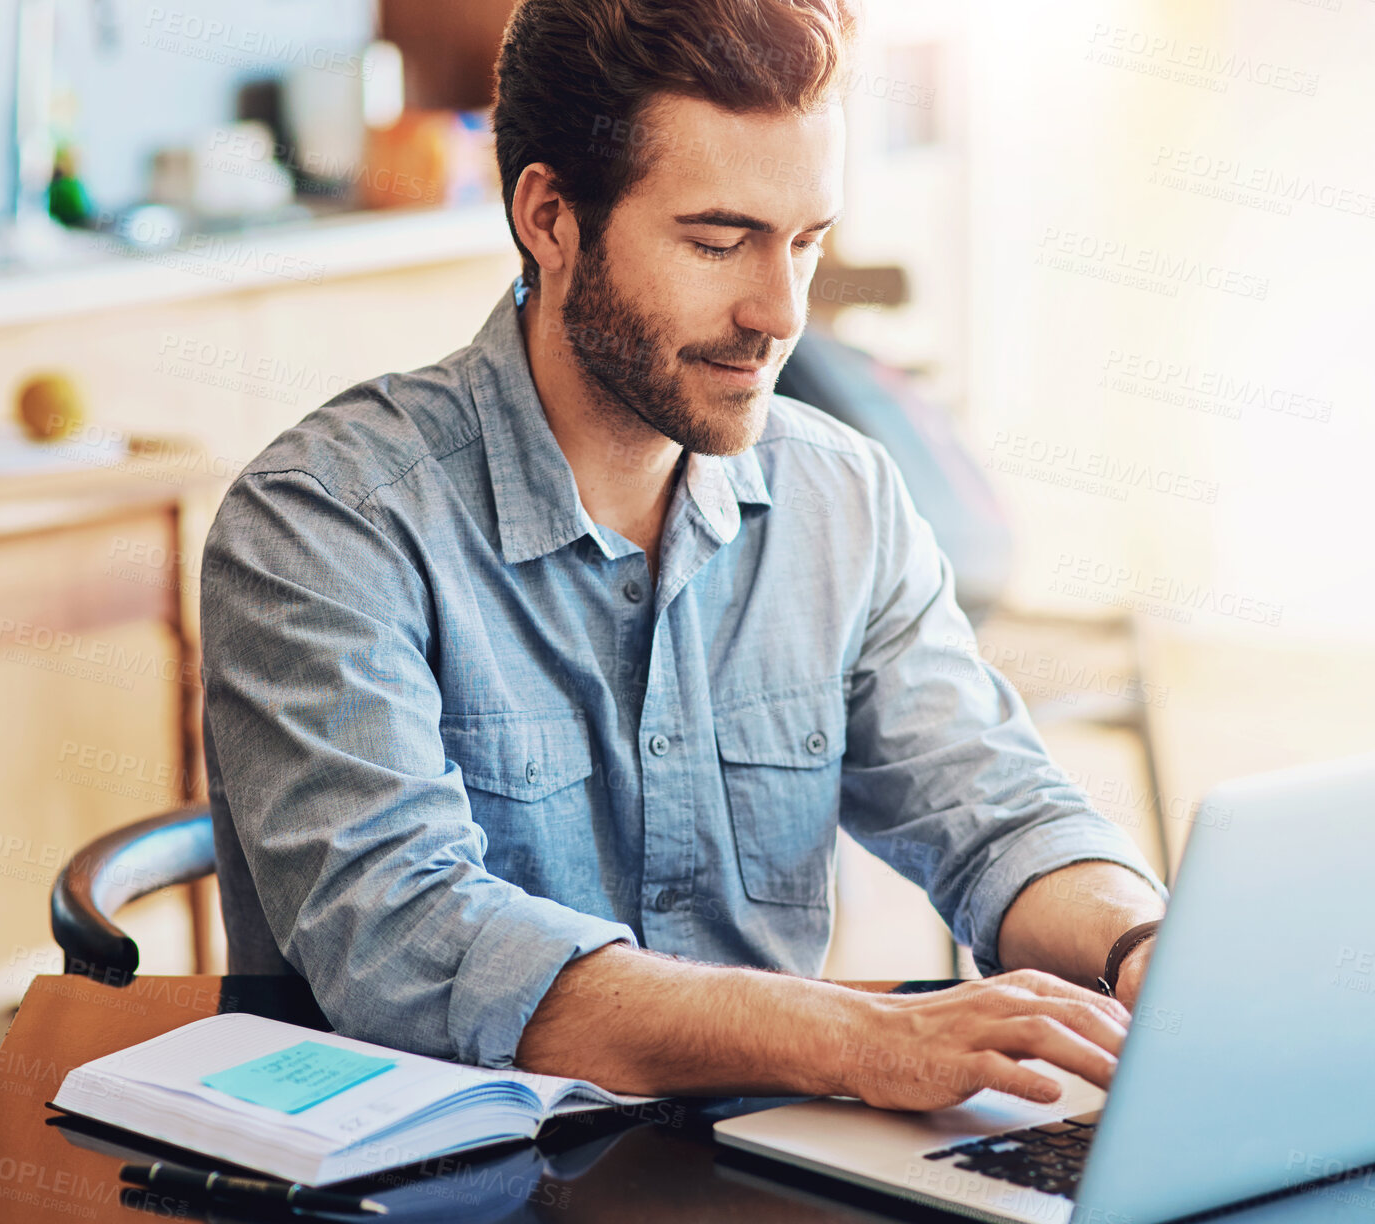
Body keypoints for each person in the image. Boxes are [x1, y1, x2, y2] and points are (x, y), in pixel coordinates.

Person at [200, 0, 1167, 1111]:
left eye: (808, 242)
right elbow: (403, 937)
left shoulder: (841, 497)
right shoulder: (324, 521)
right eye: (718, 243)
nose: (781, 312)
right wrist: (859, 1038)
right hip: (440, 1180)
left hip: (755, 1167)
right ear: (551, 217)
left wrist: (1141, 945)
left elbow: (993, 806)